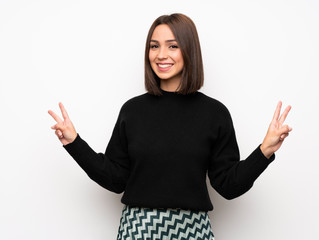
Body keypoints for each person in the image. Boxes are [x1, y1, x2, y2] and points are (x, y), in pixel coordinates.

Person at [48, 13, 292, 240]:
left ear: (189, 51)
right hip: (138, 228)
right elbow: (115, 178)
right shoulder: (132, 111)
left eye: (172, 46)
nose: (161, 54)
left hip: (193, 230)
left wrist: (264, 151)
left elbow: (228, 185)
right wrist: (74, 143)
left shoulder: (214, 114)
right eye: (154, 46)